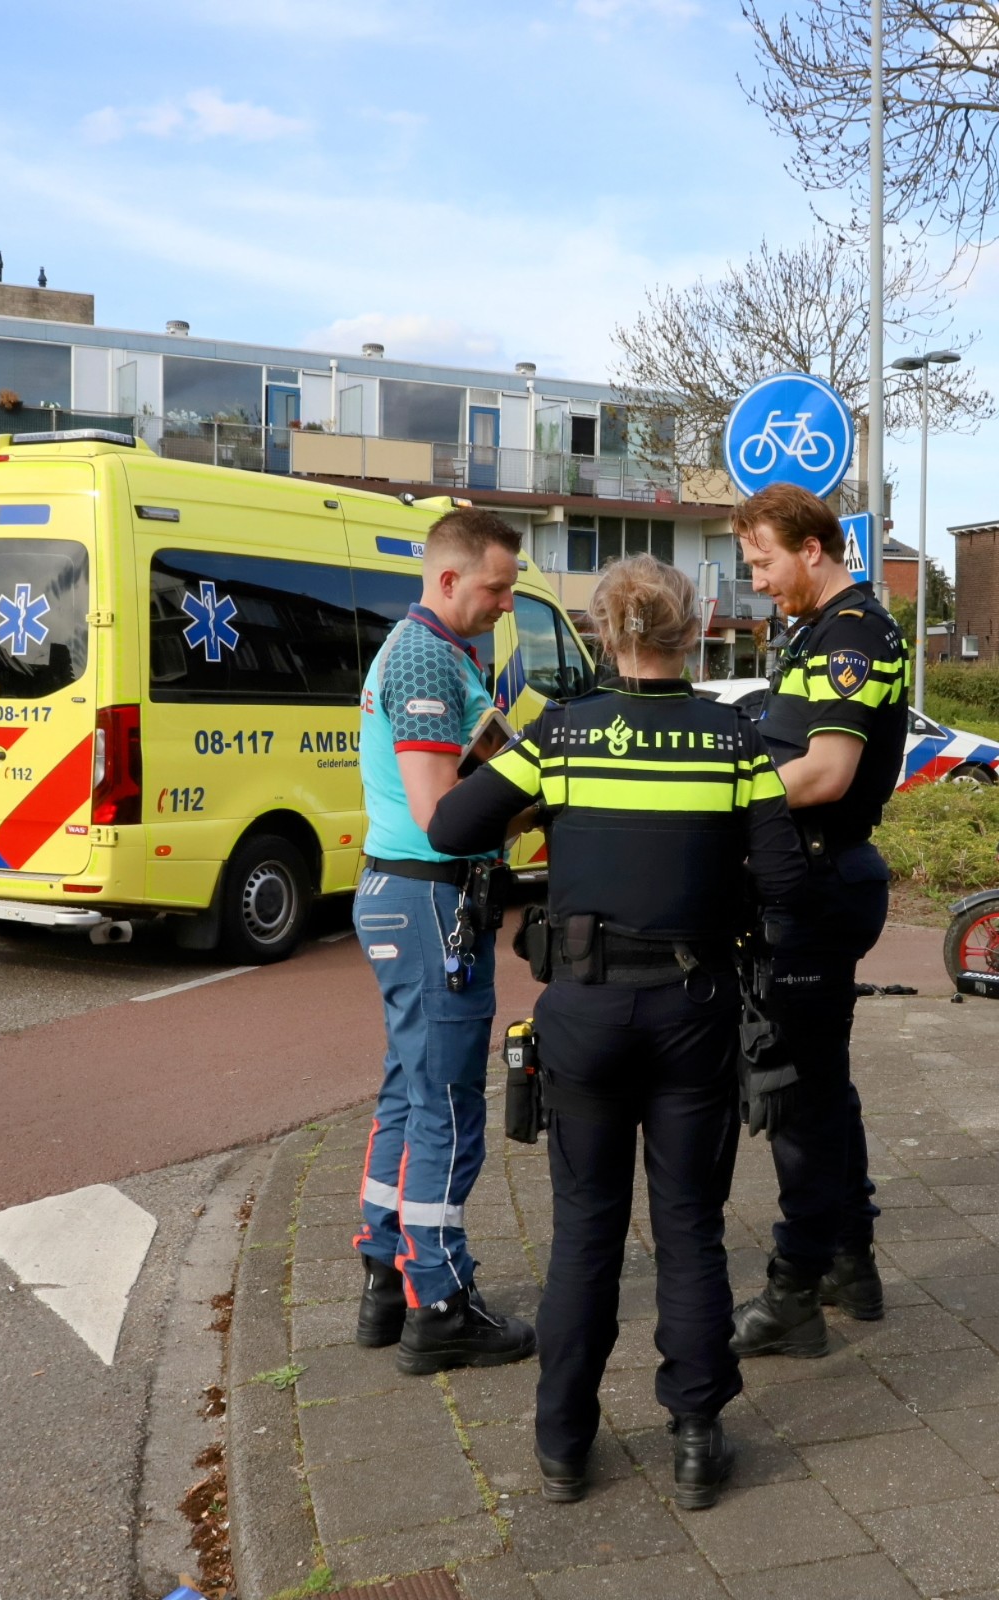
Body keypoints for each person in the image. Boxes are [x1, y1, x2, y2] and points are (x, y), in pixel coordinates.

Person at [428, 555, 807, 1509]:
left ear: (603, 632)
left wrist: (529, 788)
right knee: (689, 1228)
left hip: (585, 1013)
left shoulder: (561, 735)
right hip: (694, 1011)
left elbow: (451, 826)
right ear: (697, 628)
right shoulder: (735, 742)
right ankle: (696, 1437)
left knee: (585, 1232)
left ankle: (563, 1445)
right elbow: (785, 882)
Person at [723, 484, 911, 1360]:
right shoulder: (816, 632)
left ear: (812, 548)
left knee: (796, 1090)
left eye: (764, 561)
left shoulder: (851, 637)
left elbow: (827, 771)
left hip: (818, 882)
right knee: (823, 1082)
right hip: (814, 877)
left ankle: (795, 1288)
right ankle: (848, 1262)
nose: (758, 580)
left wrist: (717, 796)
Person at [352, 507, 536, 1373]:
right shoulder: (428, 656)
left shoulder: (435, 649)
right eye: (497, 587)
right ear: (450, 577)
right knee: (449, 1107)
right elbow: (442, 817)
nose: (507, 603)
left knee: (409, 1090)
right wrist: (530, 791)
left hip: (404, 896)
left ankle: (386, 1277)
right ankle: (440, 1302)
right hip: (432, 900)